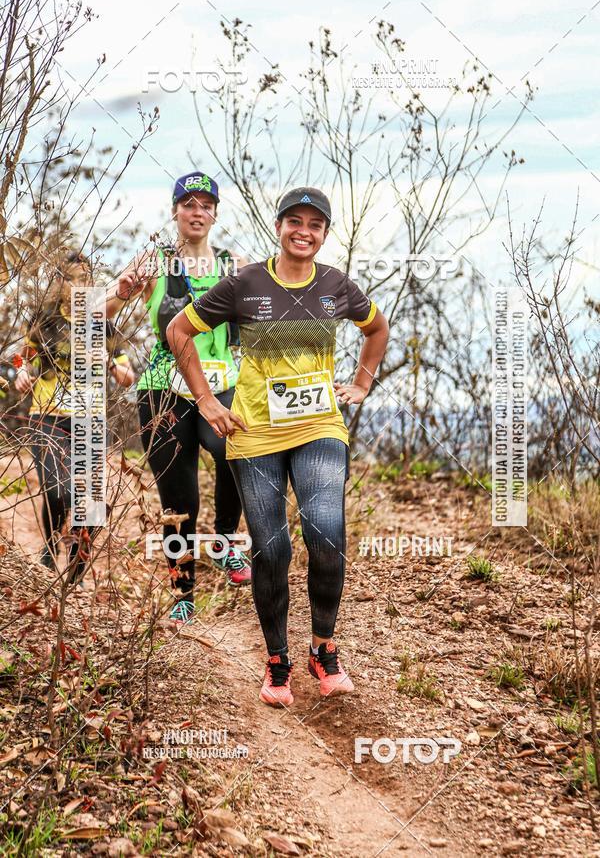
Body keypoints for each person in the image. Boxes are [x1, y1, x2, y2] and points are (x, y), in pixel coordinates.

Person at [167, 187, 389, 706]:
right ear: (279, 225)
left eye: (315, 224)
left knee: (326, 534)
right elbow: (180, 331)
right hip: (255, 433)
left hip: (319, 427)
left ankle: (324, 649)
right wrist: (206, 401)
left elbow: (375, 329)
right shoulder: (244, 282)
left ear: (325, 233)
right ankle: (277, 662)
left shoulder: (336, 285)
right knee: (272, 548)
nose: (304, 232)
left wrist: (361, 382)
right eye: (295, 221)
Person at [106, 172, 251, 629]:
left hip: (222, 381)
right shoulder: (155, 261)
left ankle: (227, 538)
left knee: (233, 452)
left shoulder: (235, 263)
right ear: (175, 211)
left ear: (215, 214)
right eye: (188, 204)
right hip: (162, 388)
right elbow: (99, 310)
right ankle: (182, 592)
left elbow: (264, 313)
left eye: (205, 204)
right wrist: (122, 290)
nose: (197, 212)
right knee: (178, 494)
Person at [14, 251, 134, 582]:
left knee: (92, 504)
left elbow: (128, 376)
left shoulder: (102, 323)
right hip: (48, 415)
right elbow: (20, 358)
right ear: (59, 282)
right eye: (71, 278)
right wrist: (21, 373)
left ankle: (77, 563)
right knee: (57, 490)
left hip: (90, 419)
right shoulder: (44, 320)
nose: (78, 285)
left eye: (84, 279)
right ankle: (51, 543)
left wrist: (109, 363)